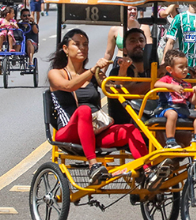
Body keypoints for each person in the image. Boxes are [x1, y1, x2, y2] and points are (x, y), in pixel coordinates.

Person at [48, 29, 148, 184]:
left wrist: (123, 69)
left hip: (94, 132)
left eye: (85, 44)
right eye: (77, 44)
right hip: (68, 132)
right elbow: (69, 86)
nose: (82, 48)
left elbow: (113, 90)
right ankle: (93, 165)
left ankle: (148, 171)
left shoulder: (94, 74)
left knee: (129, 129)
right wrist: (93, 70)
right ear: (66, 49)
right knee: (84, 110)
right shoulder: (56, 73)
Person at [155, 50, 196, 150]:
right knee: (172, 114)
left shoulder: (186, 84)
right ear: (170, 69)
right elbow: (156, 84)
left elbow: (193, 101)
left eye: (186, 66)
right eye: (181, 67)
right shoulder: (167, 79)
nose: (185, 70)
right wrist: (172, 87)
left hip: (183, 109)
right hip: (167, 108)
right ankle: (170, 140)